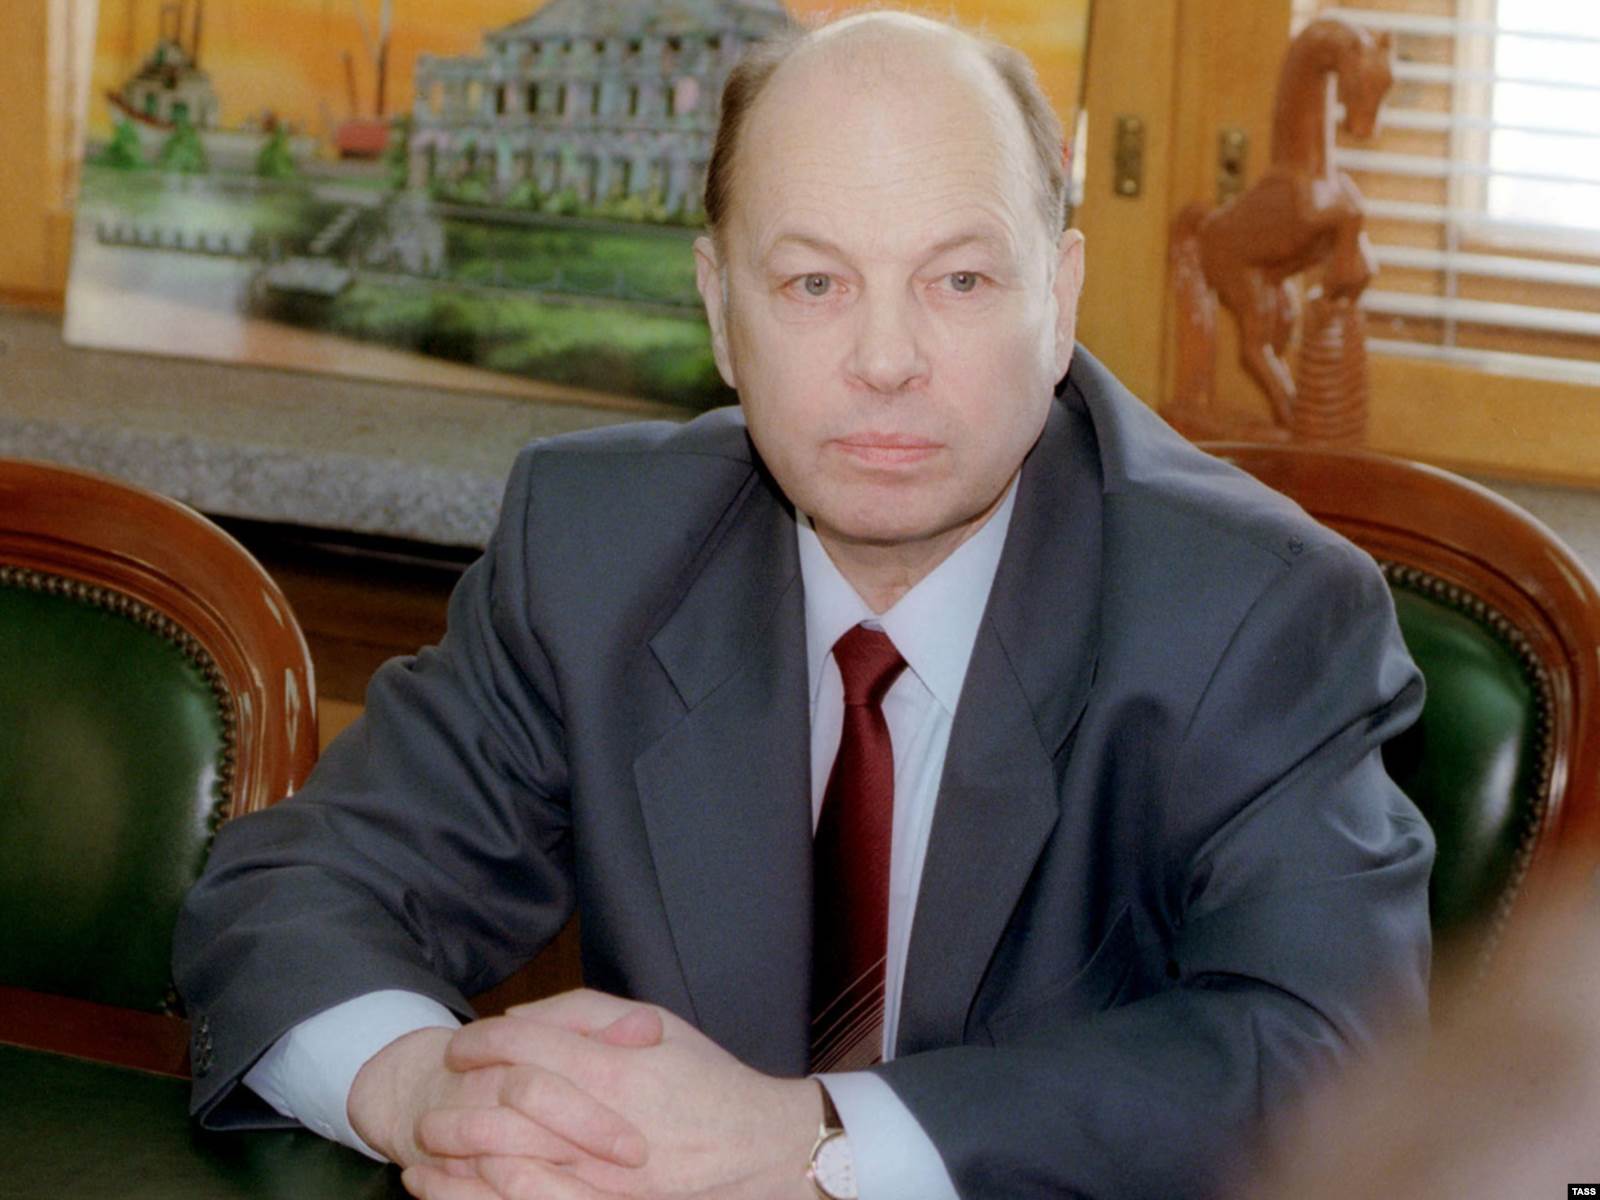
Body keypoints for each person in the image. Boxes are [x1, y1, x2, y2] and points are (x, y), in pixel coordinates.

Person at [173, 11, 1435, 1200]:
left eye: (959, 281)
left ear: (1057, 302)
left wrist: (815, 1144)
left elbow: (1329, 1057)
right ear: (721, 312)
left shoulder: (1254, 613)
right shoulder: (596, 552)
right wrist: (429, 1096)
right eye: (813, 285)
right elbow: (294, 891)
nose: (885, 361)